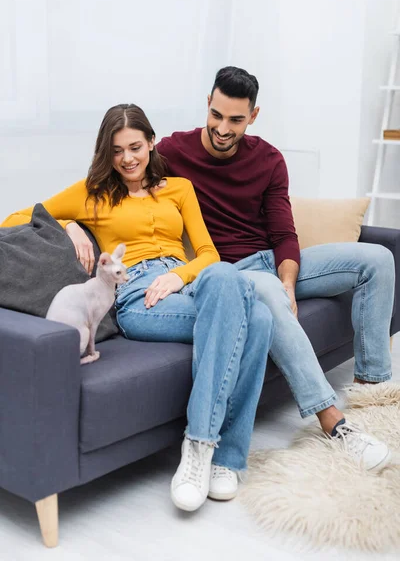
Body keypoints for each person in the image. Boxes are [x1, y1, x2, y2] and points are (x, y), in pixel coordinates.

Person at [1, 103, 274, 512]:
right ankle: (218, 456)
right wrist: (69, 224)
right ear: (106, 154)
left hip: (184, 282)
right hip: (137, 296)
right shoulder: (90, 193)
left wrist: (178, 277)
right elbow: (14, 218)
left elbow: (208, 254)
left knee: (228, 284)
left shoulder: (179, 189)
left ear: (151, 142)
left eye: (134, 146)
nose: (127, 158)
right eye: (116, 150)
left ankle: (206, 450)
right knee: (259, 317)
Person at [154, 66, 395, 472]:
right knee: (265, 290)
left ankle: (372, 387)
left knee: (378, 258)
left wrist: (288, 282)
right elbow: (111, 183)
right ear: (207, 106)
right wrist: (71, 224)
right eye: (216, 115)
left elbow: (284, 232)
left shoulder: (268, 159)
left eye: (235, 120)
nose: (223, 129)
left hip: (269, 262)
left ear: (254, 115)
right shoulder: (172, 153)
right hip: (228, 275)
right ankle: (332, 421)